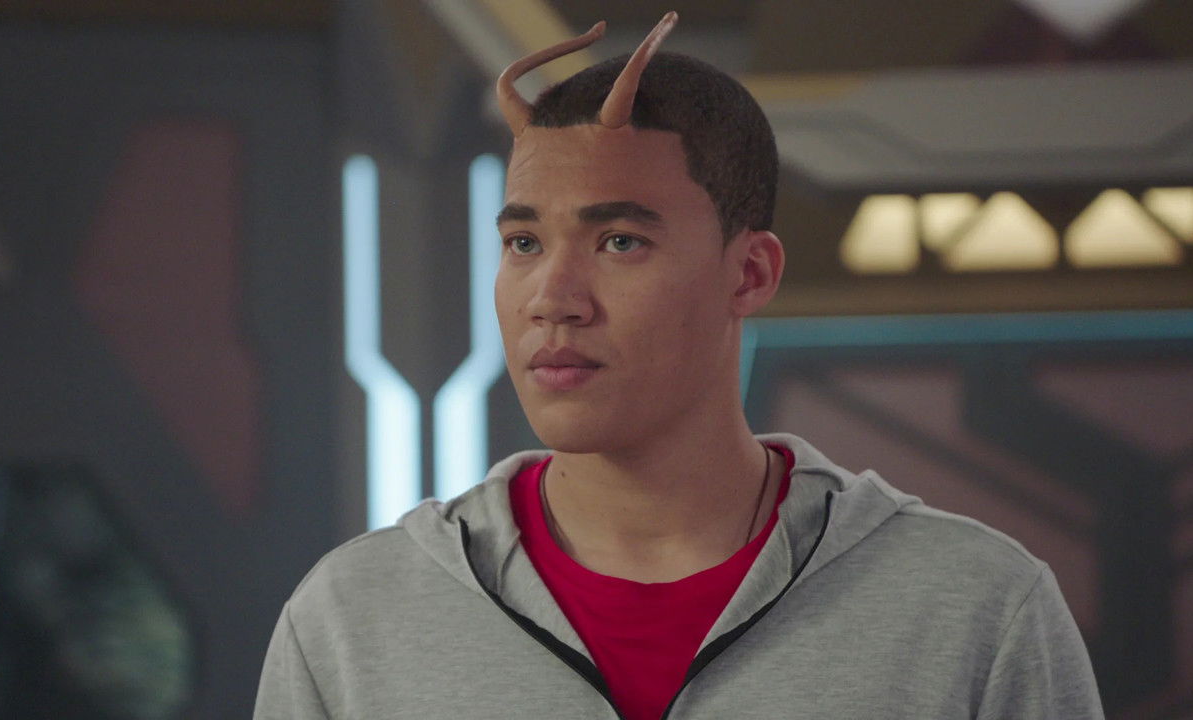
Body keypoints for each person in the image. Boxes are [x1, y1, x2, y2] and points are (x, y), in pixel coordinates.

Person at [255, 13, 1104, 719]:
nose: (554, 299)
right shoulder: (353, 620)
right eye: (524, 243)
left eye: (620, 241)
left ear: (751, 273)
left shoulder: (975, 610)